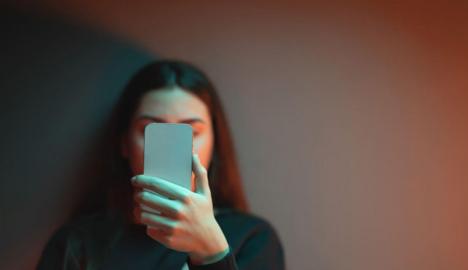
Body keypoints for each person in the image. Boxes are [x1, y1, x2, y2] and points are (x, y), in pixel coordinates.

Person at [36, 60, 285, 270]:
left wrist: (212, 253)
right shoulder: (77, 243)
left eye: (190, 131)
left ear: (215, 144)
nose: (173, 148)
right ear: (124, 143)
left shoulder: (253, 239)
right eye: (151, 129)